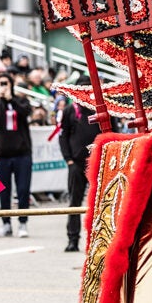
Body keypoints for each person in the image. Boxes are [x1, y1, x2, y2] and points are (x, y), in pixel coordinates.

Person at [0, 74, 34, 238]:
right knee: (4, 191)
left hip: (22, 154)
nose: (3, 86)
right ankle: (6, 224)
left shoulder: (21, 101)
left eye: (6, 83)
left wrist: (11, 99)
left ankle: (23, 223)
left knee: (23, 189)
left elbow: (26, 112)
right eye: (0, 84)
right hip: (3, 154)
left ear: (11, 85)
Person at [57, 99, 102, 252]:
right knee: (74, 201)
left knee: (101, 202)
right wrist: (68, 159)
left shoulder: (101, 107)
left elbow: (112, 131)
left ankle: (100, 240)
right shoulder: (71, 110)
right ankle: (73, 238)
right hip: (76, 163)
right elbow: (63, 135)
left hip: (98, 161)